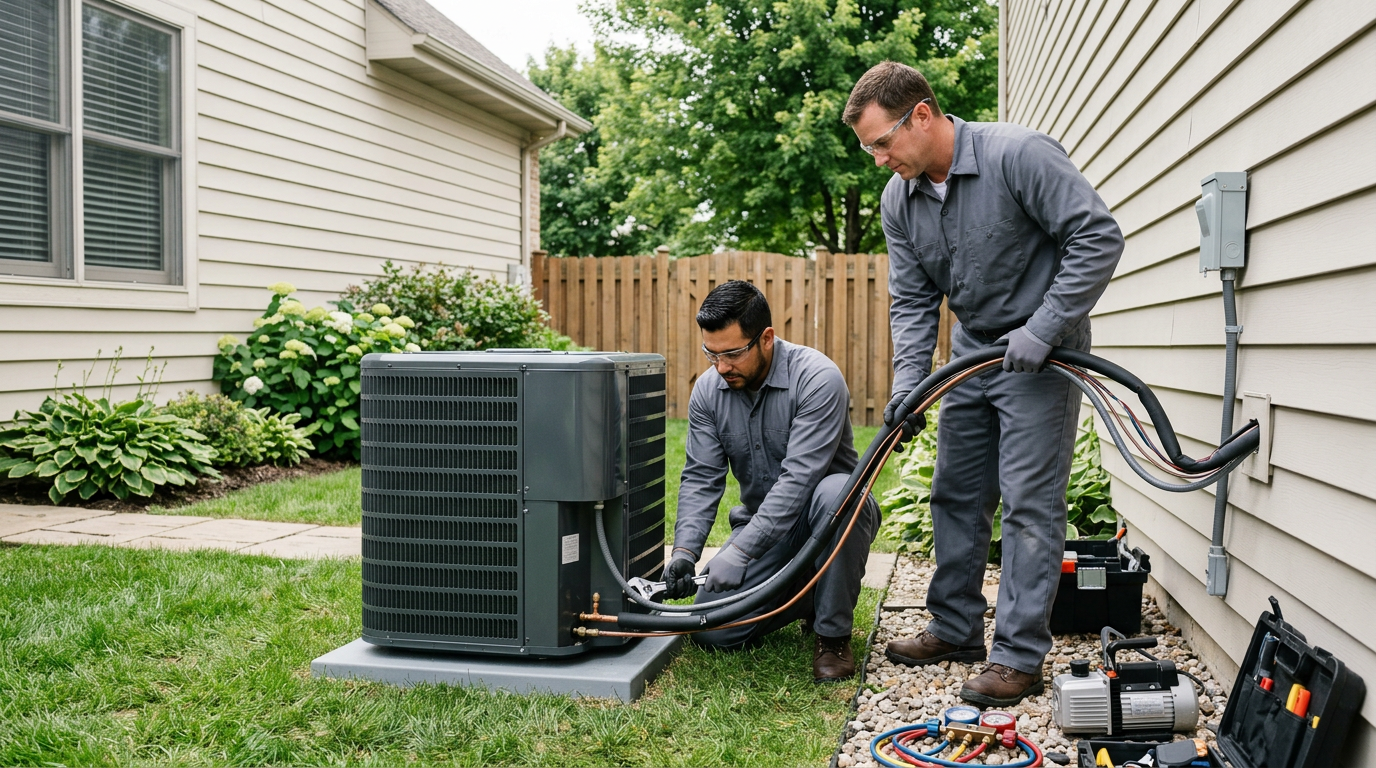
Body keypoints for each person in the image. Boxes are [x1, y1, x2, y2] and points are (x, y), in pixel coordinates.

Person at [843, 61, 1125, 706]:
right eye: (869, 149)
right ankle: (956, 626)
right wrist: (912, 382)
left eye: (882, 142)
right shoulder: (900, 199)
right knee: (955, 493)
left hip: (1043, 358)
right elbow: (912, 300)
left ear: (921, 114)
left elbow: (1097, 236)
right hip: (971, 357)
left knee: (1029, 504)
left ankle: (1019, 655)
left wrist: (1047, 326)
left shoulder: (1018, 155)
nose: (879, 159)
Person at [662, 280, 881, 682]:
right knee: (713, 632)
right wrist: (685, 552)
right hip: (766, 529)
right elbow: (700, 477)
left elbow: (800, 481)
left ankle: (832, 635)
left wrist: (741, 553)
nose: (721, 367)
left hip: (828, 517)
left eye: (732, 354)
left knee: (838, 493)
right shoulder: (709, 391)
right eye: (711, 354)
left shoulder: (816, 378)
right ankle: (807, 592)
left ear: (766, 338)